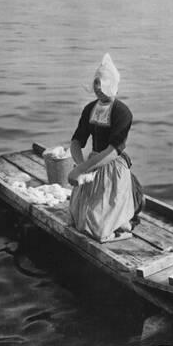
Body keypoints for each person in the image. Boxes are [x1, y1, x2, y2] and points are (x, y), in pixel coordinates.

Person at [68, 53, 143, 243]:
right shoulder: (90, 109)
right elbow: (77, 141)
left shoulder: (122, 112)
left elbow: (113, 151)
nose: (98, 89)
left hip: (112, 167)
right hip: (91, 166)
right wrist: (80, 166)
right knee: (78, 221)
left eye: (102, 84)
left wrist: (82, 169)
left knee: (98, 230)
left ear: (112, 84)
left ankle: (125, 218)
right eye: (96, 84)